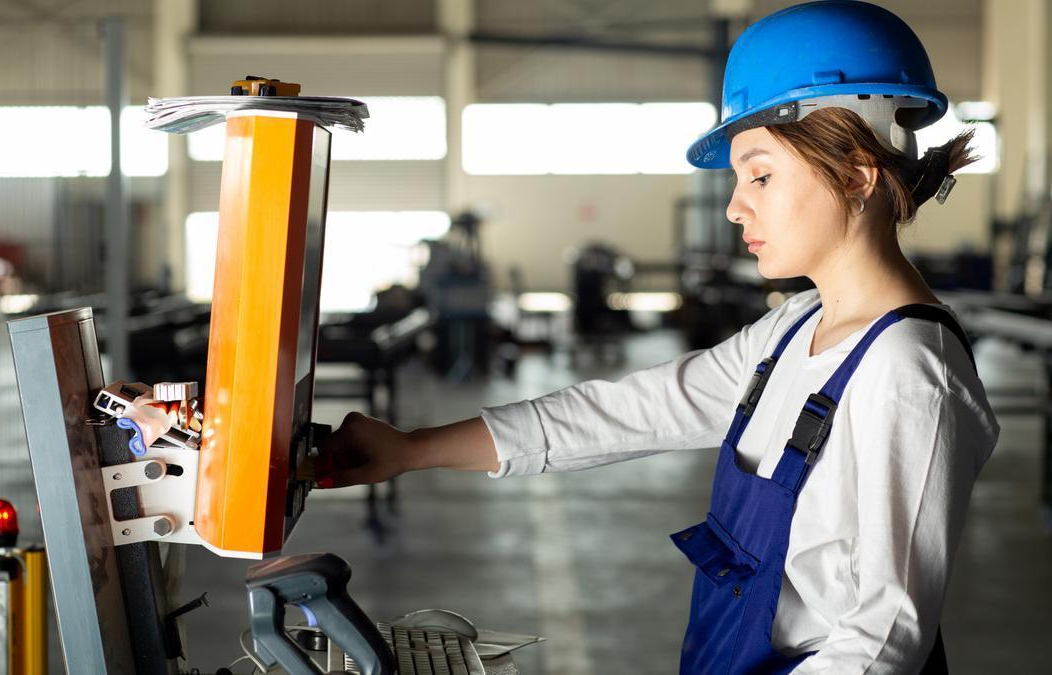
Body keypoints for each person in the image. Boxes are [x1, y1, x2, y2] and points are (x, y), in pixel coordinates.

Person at [314, 2, 1000, 672]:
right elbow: (624, 412)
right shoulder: (793, 329)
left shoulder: (908, 368)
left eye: (760, 173)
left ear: (855, 173)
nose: (735, 206)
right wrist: (410, 449)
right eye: (739, 178)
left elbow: (881, 642)